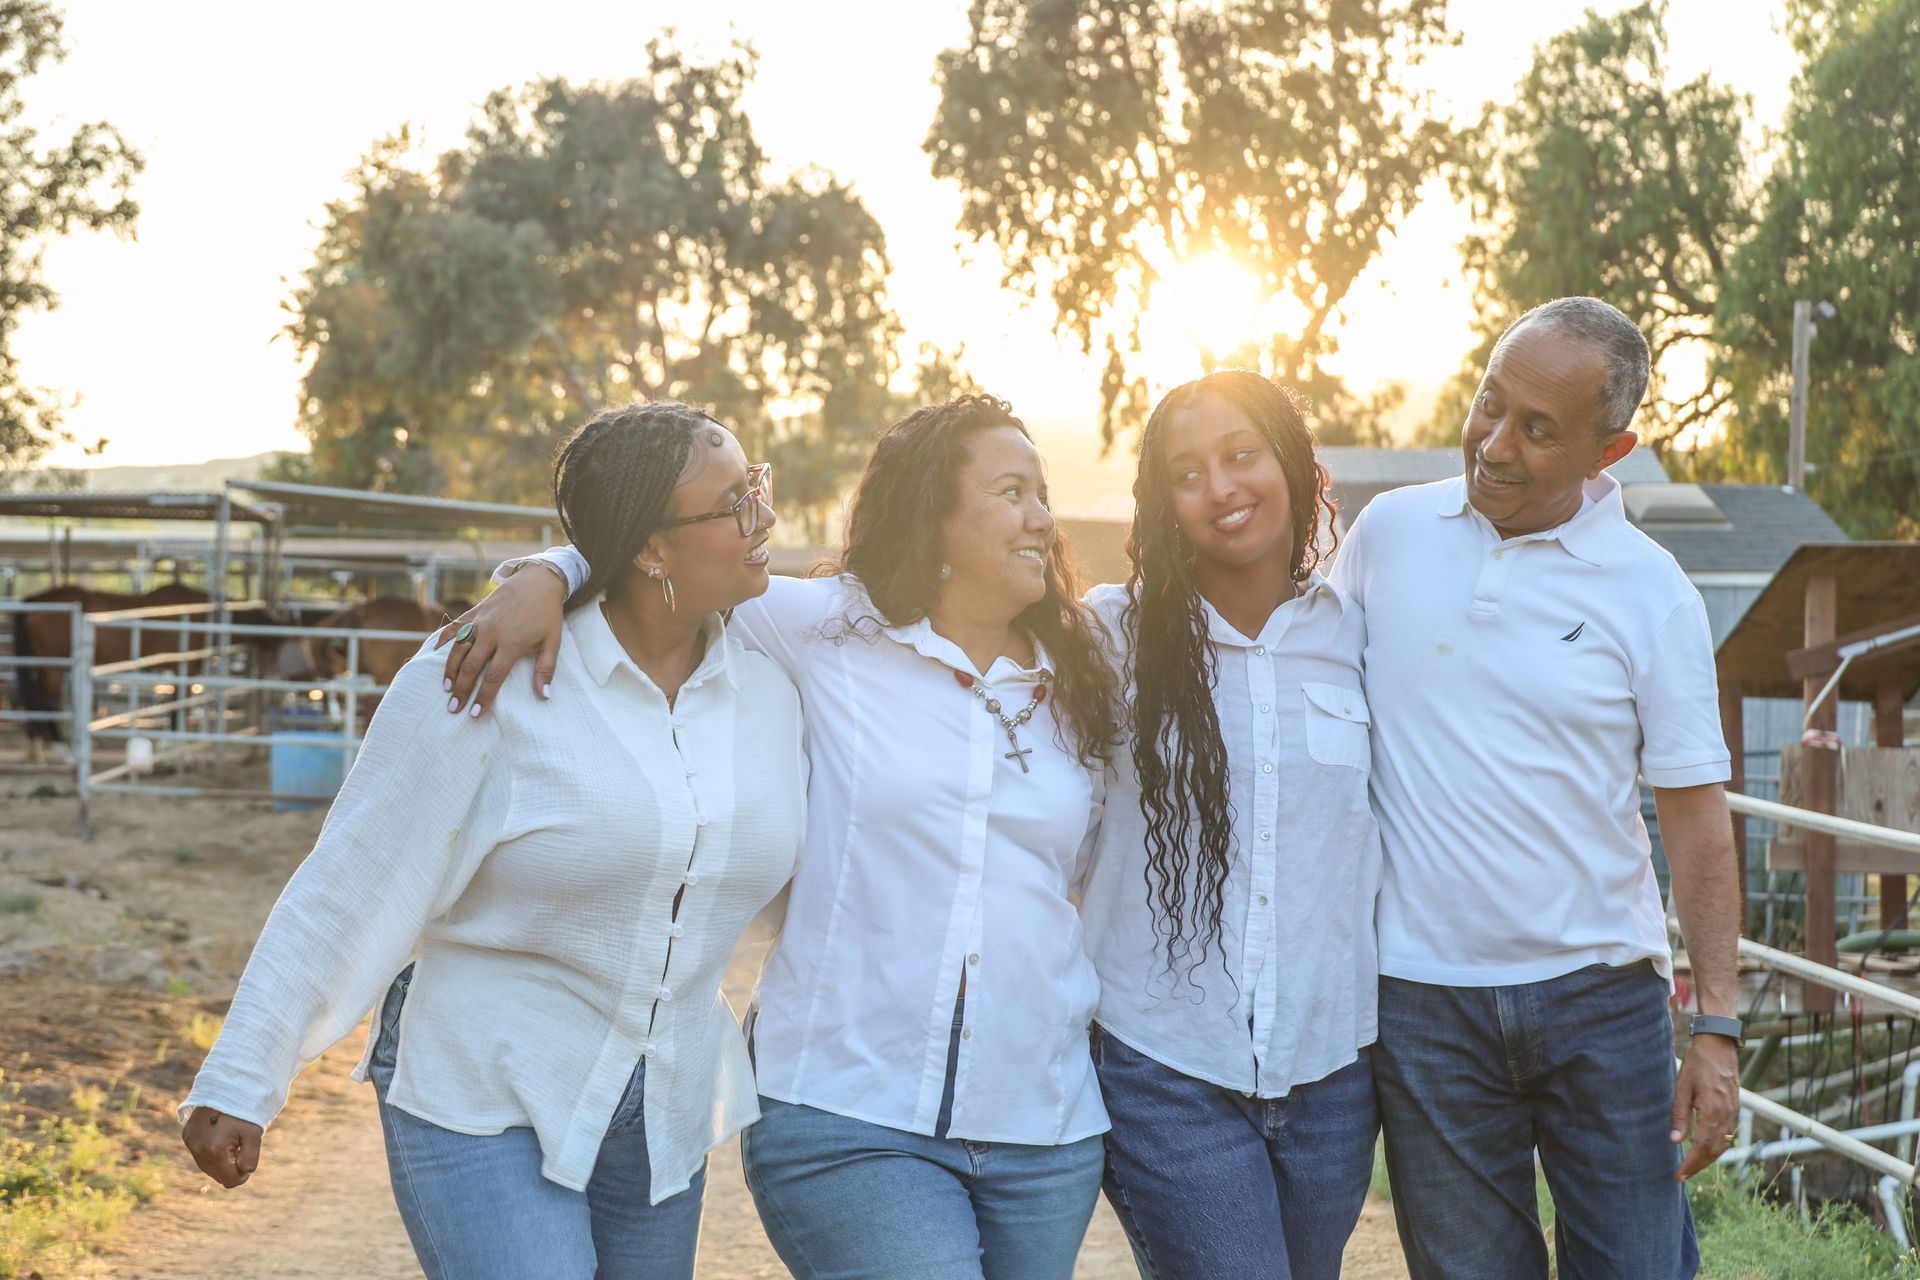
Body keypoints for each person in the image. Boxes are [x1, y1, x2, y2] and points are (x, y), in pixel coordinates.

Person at [444, 395, 1122, 1280]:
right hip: (847, 1111)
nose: (1042, 517)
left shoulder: (1090, 664)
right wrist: (547, 571)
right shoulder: (815, 628)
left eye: (1043, 491)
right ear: (934, 518)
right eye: (1010, 491)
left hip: (1047, 1130)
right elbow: (661, 551)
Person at [180, 402, 806, 1280]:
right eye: (735, 501)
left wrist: (554, 566)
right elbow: (355, 878)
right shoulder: (486, 674)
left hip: (663, 1111)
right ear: (650, 550)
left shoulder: (774, 690)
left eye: (759, 486)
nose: (766, 517)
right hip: (481, 1081)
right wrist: (242, 1077)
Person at [1329, 297, 1742, 1278]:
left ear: (1610, 450)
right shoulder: (1388, 534)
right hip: (1427, 1005)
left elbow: (1694, 817)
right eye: (1488, 403)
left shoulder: (1652, 590)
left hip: (1603, 1002)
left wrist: (1717, 1023)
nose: (1494, 443)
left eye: (1538, 428)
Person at [1077, 370, 1381, 1279]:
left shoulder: (1359, 636)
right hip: (1165, 1061)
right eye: (1188, 472)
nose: (1221, 489)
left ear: (1290, 462)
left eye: (1242, 455)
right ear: (1162, 500)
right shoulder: (1110, 636)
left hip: (1331, 1072)